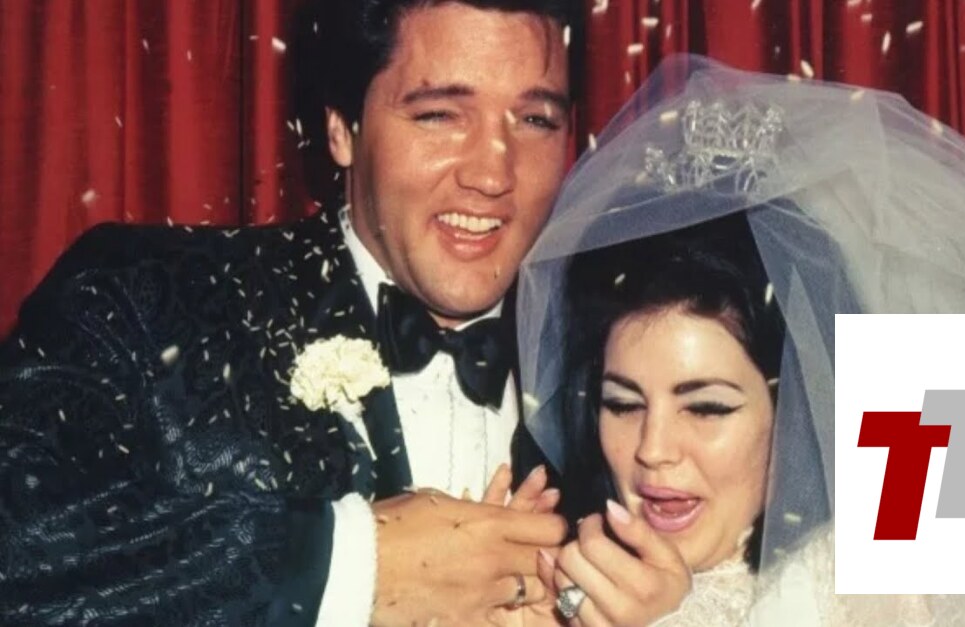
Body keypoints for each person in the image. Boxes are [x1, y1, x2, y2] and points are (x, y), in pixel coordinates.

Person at [0, 1, 581, 625]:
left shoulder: (611, 352)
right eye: (439, 115)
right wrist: (351, 563)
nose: (493, 174)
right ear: (341, 129)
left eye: (535, 120)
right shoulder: (138, 295)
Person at [514, 55, 965, 625]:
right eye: (623, 404)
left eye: (706, 407)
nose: (653, 449)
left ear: (802, 401)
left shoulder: (885, 587)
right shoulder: (566, 575)